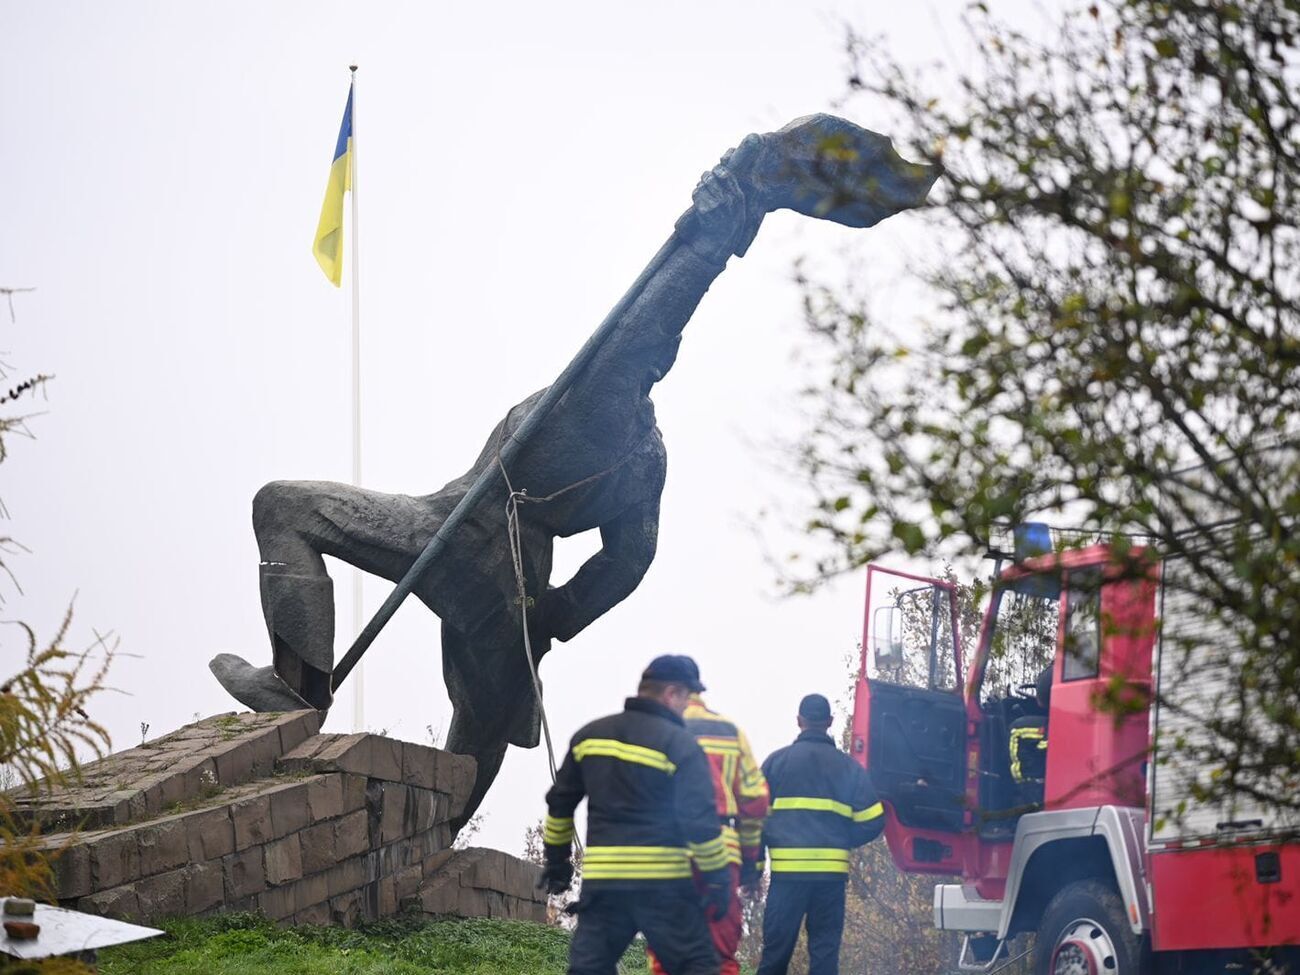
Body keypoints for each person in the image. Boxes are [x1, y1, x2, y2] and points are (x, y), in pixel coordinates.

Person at [541, 655, 731, 975]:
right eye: (686, 697)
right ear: (672, 694)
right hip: (664, 888)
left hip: (605, 886)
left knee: (589, 969)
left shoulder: (590, 736)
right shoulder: (681, 745)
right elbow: (699, 824)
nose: (686, 707)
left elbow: (560, 806)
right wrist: (717, 881)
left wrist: (557, 862)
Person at [648, 669, 770, 975]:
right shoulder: (730, 732)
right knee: (719, 956)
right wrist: (751, 863)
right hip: (722, 854)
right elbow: (755, 802)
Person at [756, 693, 885, 975]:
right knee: (825, 960)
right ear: (830, 722)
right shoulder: (849, 768)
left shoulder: (776, 764)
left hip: (787, 879)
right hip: (830, 880)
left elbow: (754, 820)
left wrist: (754, 871)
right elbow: (874, 820)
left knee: (774, 958)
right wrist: (840, 838)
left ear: (799, 721)